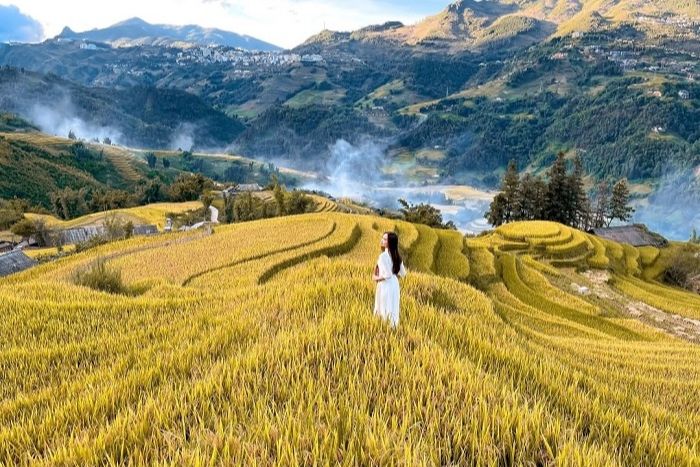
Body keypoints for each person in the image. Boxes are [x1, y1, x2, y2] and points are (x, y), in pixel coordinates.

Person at [372, 231, 407, 327]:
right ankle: (392, 328)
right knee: (393, 308)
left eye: (385, 239)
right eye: (382, 238)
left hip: (385, 284)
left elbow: (386, 275)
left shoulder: (382, 256)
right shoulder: (397, 257)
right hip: (395, 284)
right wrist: (393, 276)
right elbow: (403, 274)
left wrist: (376, 277)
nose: (382, 240)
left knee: (383, 307)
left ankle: (382, 328)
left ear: (389, 242)